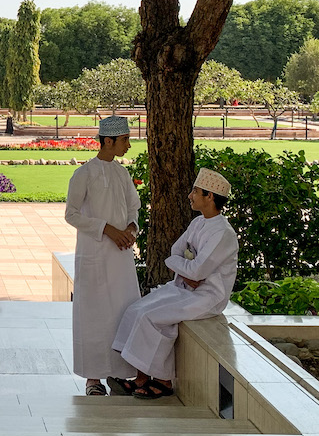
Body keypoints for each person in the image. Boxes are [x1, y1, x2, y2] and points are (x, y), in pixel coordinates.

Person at [111, 168, 239, 399]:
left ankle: (163, 381)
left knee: (150, 317)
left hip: (208, 296)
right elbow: (174, 253)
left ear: (210, 196)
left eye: (195, 191)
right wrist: (184, 269)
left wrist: (185, 269)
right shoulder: (198, 223)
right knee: (136, 309)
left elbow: (197, 271)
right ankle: (141, 378)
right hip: (185, 287)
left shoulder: (223, 233)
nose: (190, 196)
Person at [65, 116, 142, 397]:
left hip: (121, 257)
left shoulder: (122, 174)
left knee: (121, 312)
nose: (128, 145)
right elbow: (71, 214)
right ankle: (93, 378)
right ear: (108, 141)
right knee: (94, 314)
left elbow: (134, 207)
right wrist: (107, 229)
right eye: (125, 140)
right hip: (94, 255)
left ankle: (120, 373)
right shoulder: (84, 174)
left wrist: (131, 228)